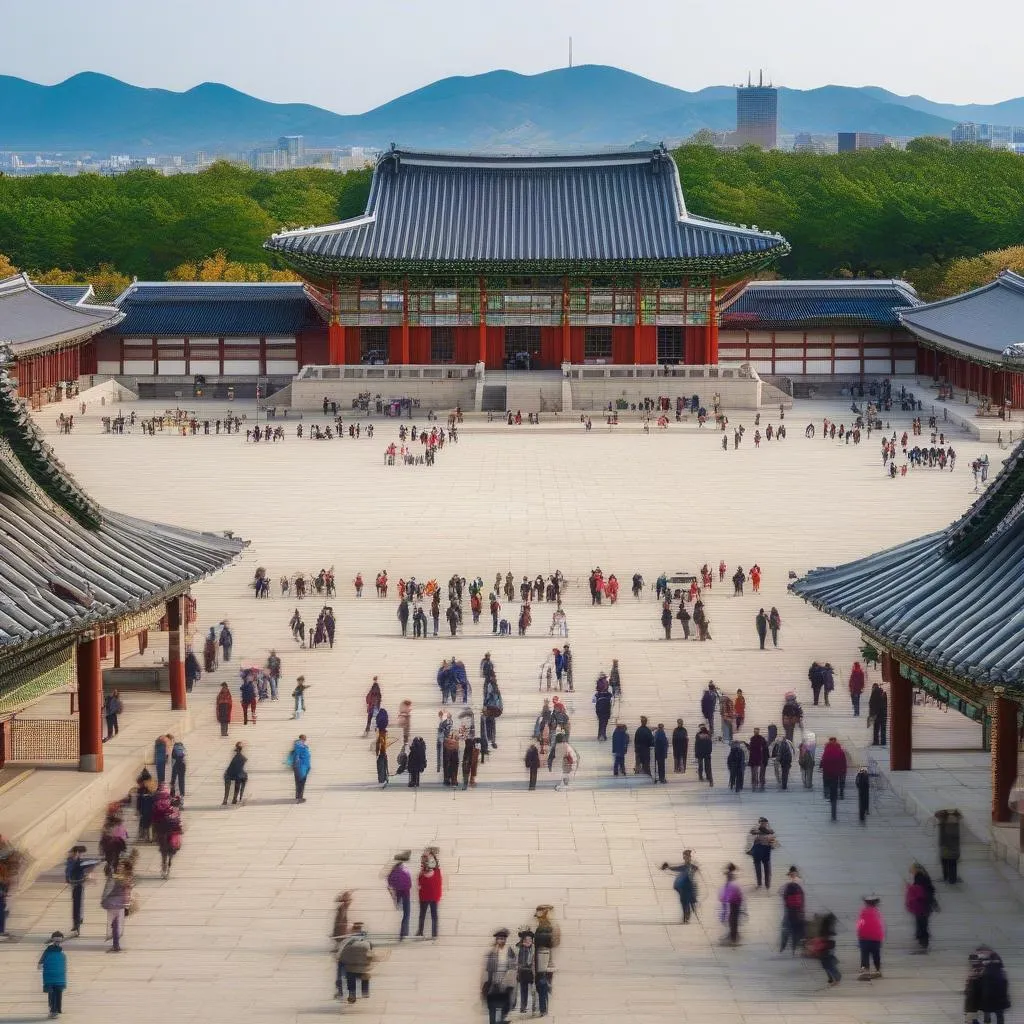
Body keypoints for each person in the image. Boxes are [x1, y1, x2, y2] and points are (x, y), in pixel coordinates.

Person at [965, 946, 1011, 1024]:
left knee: (993, 1013)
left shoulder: (985, 973)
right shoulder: (984, 972)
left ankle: (987, 1020)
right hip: (990, 998)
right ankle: (987, 1020)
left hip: (990, 997)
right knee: (993, 1013)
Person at [64, 846, 99, 937]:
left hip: (78, 885)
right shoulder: (74, 862)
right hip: (76, 885)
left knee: (77, 906)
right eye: (80, 853)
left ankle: (77, 925)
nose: (81, 855)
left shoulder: (74, 861)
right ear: (77, 853)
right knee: (77, 906)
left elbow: (90, 862)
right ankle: (77, 924)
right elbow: (90, 863)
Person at [482, 928, 516, 1024]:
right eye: (499, 938)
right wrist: (490, 980)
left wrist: (509, 977)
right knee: (493, 1002)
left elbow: (513, 963)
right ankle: (493, 1022)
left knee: (505, 1001)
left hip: (506, 977)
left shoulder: (509, 950)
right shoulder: (492, 951)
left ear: (505, 940)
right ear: (496, 940)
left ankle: (501, 1019)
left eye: (503, 939)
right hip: (494, 977)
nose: (501, 940)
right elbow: (488, 967)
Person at [337, 922, 375, 1004]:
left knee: (349, 976)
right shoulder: (368, 943)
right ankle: (365, 990)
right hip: (363, 968)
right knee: (365, 975)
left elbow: (342, 957)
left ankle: (351, 993)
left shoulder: (347, 943)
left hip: (351, 968)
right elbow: (371, 955)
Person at [906, 862, 938, 954]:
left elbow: (919, 892)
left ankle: (923, 940)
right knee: (921, 922)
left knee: (922, 922)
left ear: (916, 869)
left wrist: (910, 888)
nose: (911, 872)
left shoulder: (920, 878)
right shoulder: (922, 876)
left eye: (912, 869)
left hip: (922, 905)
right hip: (924, 904)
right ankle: (921, 938)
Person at [661, 850, 699, 923]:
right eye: (685, 857)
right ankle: (686, 916)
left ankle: (686, 917)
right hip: (683, 888)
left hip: (688, 887)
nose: (686, 858)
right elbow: (676, 868)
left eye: (687, 856)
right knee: (684, 902)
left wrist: (668, 867)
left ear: (690, 857)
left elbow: (679, 869)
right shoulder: (686, 867)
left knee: (686, 902)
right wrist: (668, 867)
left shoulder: (692, 867)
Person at [38, 930, 67, 1018]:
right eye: (56, 941)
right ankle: (54, 1010)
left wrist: (40, 964)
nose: (57, 943)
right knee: (54, 993)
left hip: (57, 975)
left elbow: (42, 960)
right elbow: (42, 959)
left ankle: (55, 1010)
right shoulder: (52, 950)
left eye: (59, 941)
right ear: (53, 940)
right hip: (54, 975)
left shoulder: (57, 950)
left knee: (56, 993)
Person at [856, 895, 885, 979]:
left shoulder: (863, 912)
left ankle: (866, 971)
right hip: (876, 938)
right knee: (876, 954)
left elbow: (860, 923)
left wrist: (859, 933)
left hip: (864, 937)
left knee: (865, 954)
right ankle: (878, 970)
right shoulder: (877, 912)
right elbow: (880, 924)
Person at [779, 866, 806, 955]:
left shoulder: (787, 883)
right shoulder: (800, 882)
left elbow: (781, 893)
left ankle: (783, 947)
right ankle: (794, 947)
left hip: (789, 909)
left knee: (785, 927)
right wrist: (802, 910)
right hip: (798, 909)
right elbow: (802, 896)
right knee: (795, 928)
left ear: (790, 874)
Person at [414, 848, 441, 938]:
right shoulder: (423, 872)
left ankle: (433, 933)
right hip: (425, 896)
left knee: (433, 916)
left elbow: (438, 884)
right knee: (424, 915)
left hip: (431, 896)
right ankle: (421, 932)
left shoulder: (436, 871)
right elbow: (420, 882)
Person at [819, 737, 848, 821]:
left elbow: (823, 761)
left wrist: (822, 768)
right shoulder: (840, 751)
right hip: (836, 776)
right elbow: (843, 764)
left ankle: (828, 796)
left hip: (827, 775)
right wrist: (843, 773)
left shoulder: (827, 751)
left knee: (829, 789)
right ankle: (834, 811)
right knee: (834, 792)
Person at [514, 929, 537, 1016]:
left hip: (531, 971)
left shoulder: (533, 948)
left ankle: (533, 1007)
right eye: (527, 940)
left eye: (530, 940)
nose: (529, 941)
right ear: (523, 940)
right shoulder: (520, 947)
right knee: (523, 990)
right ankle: (523, 1007)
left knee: (533, 990)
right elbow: (516, 958)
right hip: (522, 971)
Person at [719, 864, 744, 946]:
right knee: (733, 918)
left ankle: (733, 937)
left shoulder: (730, 879)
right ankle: (733, 935)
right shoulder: (732, 878)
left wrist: (724, 898)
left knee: (732, 919)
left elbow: (728, 891)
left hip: (733, 901)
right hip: (736, 901)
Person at [935, 809, 962, 883]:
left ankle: (950, 879)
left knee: (949, 862)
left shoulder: (946, 824)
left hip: (948, 847)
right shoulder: (952, 822)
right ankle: (950, 878)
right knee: (950, 863)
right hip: (950, 847)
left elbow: (948, 837)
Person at [748, 817, 776, 888]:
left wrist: (772, 844)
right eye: (762, 823)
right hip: (759, 850)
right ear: (760, 823)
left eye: (765, 823)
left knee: (765, 868)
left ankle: (766, 884)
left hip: (765, 850)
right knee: (759, 867)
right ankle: (761, 883)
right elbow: (752, 832)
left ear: (766, 823)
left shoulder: (769, 830)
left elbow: (773, 840)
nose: (763, 824)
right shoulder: (757, 829)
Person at [288, 735, 311, 802]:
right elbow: (297, 758)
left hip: (304, 767)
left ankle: (299, 797)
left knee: (301, 783)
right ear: (300, 739)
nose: (304, 740)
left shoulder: (303, 746)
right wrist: (297, 767)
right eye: (303, 739)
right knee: (300, 783)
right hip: (300, 768)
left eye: (305, 739)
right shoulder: (298, 747)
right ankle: (299, 798)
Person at [748, 727, 768, 791]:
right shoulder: (755, 739)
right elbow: (751, 749)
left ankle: (759, 782)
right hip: (756, 758)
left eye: (756, 731)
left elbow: (765, 749)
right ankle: (756, 782)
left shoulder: (760, 739)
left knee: (758, 772)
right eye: (755, 731)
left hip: (759, 758)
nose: (755, 732)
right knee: (755, 772)